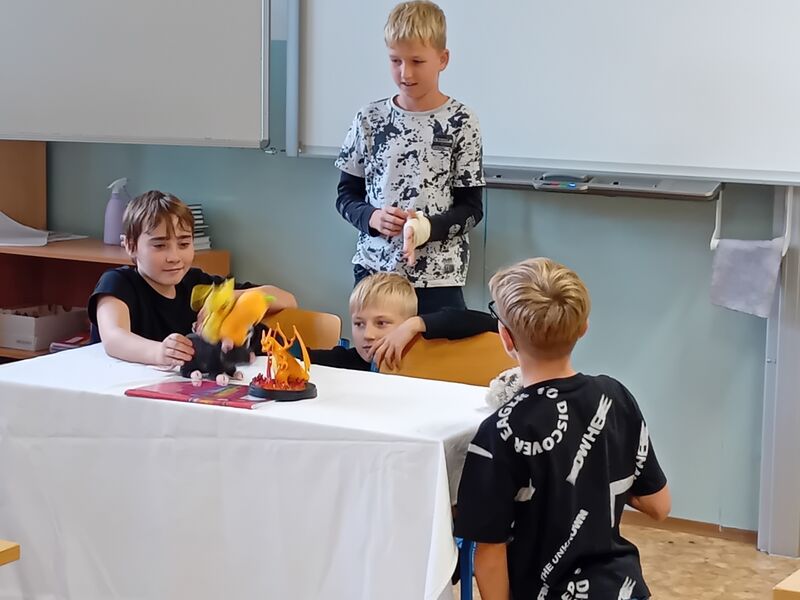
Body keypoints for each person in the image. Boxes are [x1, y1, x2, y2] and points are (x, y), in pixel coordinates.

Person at [454, 258, 671, 600]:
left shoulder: (499, 431)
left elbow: (489, 553)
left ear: (506, 337)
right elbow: (659, 505)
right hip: (622, 590)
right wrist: (594, 477)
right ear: (583, 328)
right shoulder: (615, 396)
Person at [335, 0, 485, 314]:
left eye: (417, 61)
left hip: (439, 279)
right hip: (376, 271)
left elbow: (471, 210)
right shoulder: (369, 119)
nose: (405, 73)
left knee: (436, 348)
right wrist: (371, 217)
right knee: (375, 347)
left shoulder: (461, 121)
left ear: (442, 59)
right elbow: (346, 196)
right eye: (395, 60)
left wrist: (426, 229)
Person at [88, 190, 296, 367]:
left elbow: (287, 300)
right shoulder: (118, 283)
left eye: (184, 244)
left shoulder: (197, 284)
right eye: (159, 245)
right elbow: (114, 338)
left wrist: (232, 296)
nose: (174, 257)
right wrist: (159, 352)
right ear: (130, 245)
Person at [309, 272, 496, 371]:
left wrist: (416, 324)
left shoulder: (427, 356)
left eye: (381, 323)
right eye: (359, 324)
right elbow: (298, 357)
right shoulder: (345, 360)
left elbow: (491, 323)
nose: (368, 335)